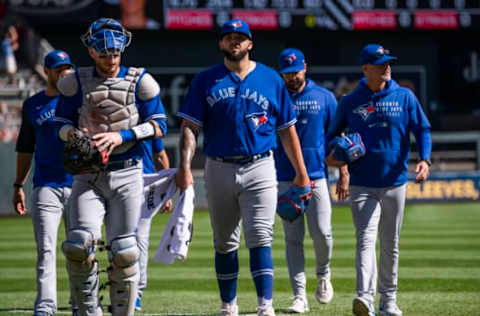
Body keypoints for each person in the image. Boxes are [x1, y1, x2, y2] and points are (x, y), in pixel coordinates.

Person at [175, 19, 311, 316]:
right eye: (228, 37)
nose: (234, 42)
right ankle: (229, 305)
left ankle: (265, 305)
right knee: (224, 241)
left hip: (260, 165)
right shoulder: (206, 80)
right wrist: (184, 166)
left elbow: (288, 131)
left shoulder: (271, 79)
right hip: (218, 166)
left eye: (240, 37)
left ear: (250, 44)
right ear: (221, 43)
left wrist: (301, 173)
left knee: (261, 236)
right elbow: (189, 128)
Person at [55, 18, 167, 316]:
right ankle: (88, 310)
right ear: (92, 52)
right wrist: (73, 134)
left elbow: (160, 125)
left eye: (115, 54)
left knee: (125, 250)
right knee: (78, 244)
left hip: (128, 170)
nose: (111, 60)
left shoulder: (141, 81)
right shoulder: (73, 81)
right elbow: (59, 122)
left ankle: (124, 311)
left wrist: (123, 135)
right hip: (88, 174)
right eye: (104, 55)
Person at [326, 44, 432, 316]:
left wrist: (425, 159)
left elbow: (422, 129)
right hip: (362, 184)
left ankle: (388, 301)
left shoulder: (404, 96)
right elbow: (330, 140)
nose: (387, 67)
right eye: (380, 63)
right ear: (365, 68)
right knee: (365, 240)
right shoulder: (350, 101)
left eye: (388, 62)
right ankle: (365, 299)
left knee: (390, 244)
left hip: (395, 182)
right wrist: (340, 152)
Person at [274, 48, 342, 313]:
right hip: (283, 178)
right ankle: (299, 296)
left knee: (323, 234)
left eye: (296, 71)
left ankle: (323, 274)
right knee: (293, 239)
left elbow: (336, 138)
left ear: (305, 68)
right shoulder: (275, 98)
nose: (292, 76)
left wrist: (344, 172)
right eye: (287, 73)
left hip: (317, 177)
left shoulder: (325, 97)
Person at [13, 49, 74, 316]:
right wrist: (18, 186)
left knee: (81, 249)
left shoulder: (78, 101)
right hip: (46, 185)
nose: (64, 72)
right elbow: (25, 148)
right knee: (46, 250)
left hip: (79, 184)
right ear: (47, 72)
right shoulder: (33, 104)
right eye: (59, 68)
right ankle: (46, 307)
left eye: (67, 68)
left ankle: (80, 303)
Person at [135, 138, 172, 311]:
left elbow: (160, 155)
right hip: (114, 181)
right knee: (117, 238)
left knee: (140, 238)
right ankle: (120, 288)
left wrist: (166, 192)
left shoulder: (147, 120)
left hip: (145, 183)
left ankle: (136, 292)